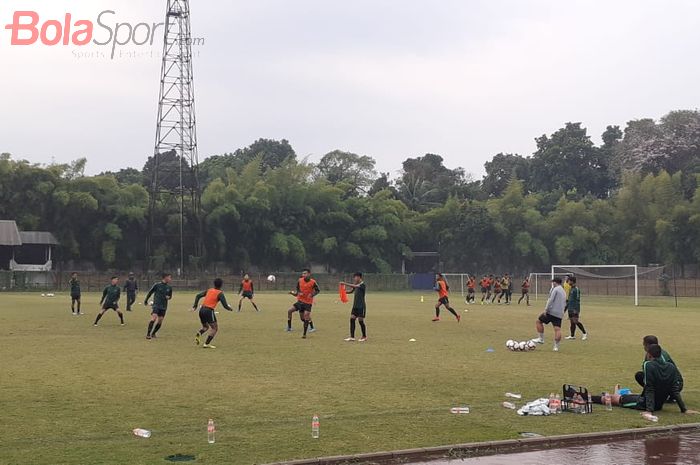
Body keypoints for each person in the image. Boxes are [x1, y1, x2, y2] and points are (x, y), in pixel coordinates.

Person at [592, 344, 696, 419]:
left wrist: (649, 411)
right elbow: (674, 390)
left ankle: (587, 398)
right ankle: (601, 395)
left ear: (649, 355)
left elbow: (650, 388)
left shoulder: (649, 365)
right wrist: (684, 409)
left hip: (644, 403)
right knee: (624, 396)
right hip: (657, 403)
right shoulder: (671, 367)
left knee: (612, 399)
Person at [192, 278, 234, 349]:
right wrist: (230, 309)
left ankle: (198, 334)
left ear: (214, 284)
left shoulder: (209, 290)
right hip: (209, 311)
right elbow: (225, 305)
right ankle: (206, 344)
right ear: (221, 285)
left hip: (201, 310)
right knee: (215, 328)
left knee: (205, 327)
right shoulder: (220, 293)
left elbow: (198, 296)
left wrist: (195, 306)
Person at [533, 277, 566, 351]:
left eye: (553, 282)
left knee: (538, 321)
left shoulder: (555, 289)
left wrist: (546, 309)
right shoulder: (563, 291)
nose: (552, 284)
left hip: (551, 312)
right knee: (557, 329)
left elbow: (550, 300)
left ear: (555, 282)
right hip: (559, 313)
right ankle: (556, 347)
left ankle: (541, 339)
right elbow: (564, 302)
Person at [286, 269, 320, 338]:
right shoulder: (300, 280)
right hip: (300, 301)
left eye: (305, 273)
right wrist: (297, 292)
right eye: (303, 274)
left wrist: (312, 294)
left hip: (308, 302)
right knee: (291, 312)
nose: (303, 275)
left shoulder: (313, 282)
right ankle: (289, 327)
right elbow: (298, 289)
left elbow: (318, 290)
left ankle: (310, 330)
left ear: (309, 274)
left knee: (306, 314)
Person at [143, 273, 173, 340]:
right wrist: (146, 300)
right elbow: (150, 292)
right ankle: (148, 334)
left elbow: (170, 296)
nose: (170, 279)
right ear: (165, 277)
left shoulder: (169, 288)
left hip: (164, 306)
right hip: (156, 305)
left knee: (160, 321)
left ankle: (153, 333)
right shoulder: (157, 285)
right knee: (153, 318)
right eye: (169, 277)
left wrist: (169, 297)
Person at [340, 272, 368, 342]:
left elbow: (355, 286)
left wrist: (344, 283)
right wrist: (344, 292)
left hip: (361, 306)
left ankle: (364, 336)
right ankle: (352, 337)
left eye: (355, 277)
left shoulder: (362, 285)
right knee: (352, 319)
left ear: (359, 277)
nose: (354, 279)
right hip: (355, 305)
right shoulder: (356, 285)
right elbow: (351, 291)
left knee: (360, 321)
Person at [565, 276, 587, 341]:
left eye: (568, 281)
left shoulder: (576, 289)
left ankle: (584, 333)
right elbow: (569, 300)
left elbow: (577, 300)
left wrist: (576, 310)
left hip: (575, 309)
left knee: (575, 321)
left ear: (572, 281)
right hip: (570, 308)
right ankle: (572, 336)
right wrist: (565, 309)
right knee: (572, 322)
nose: (568, 282)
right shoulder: (571, 289)